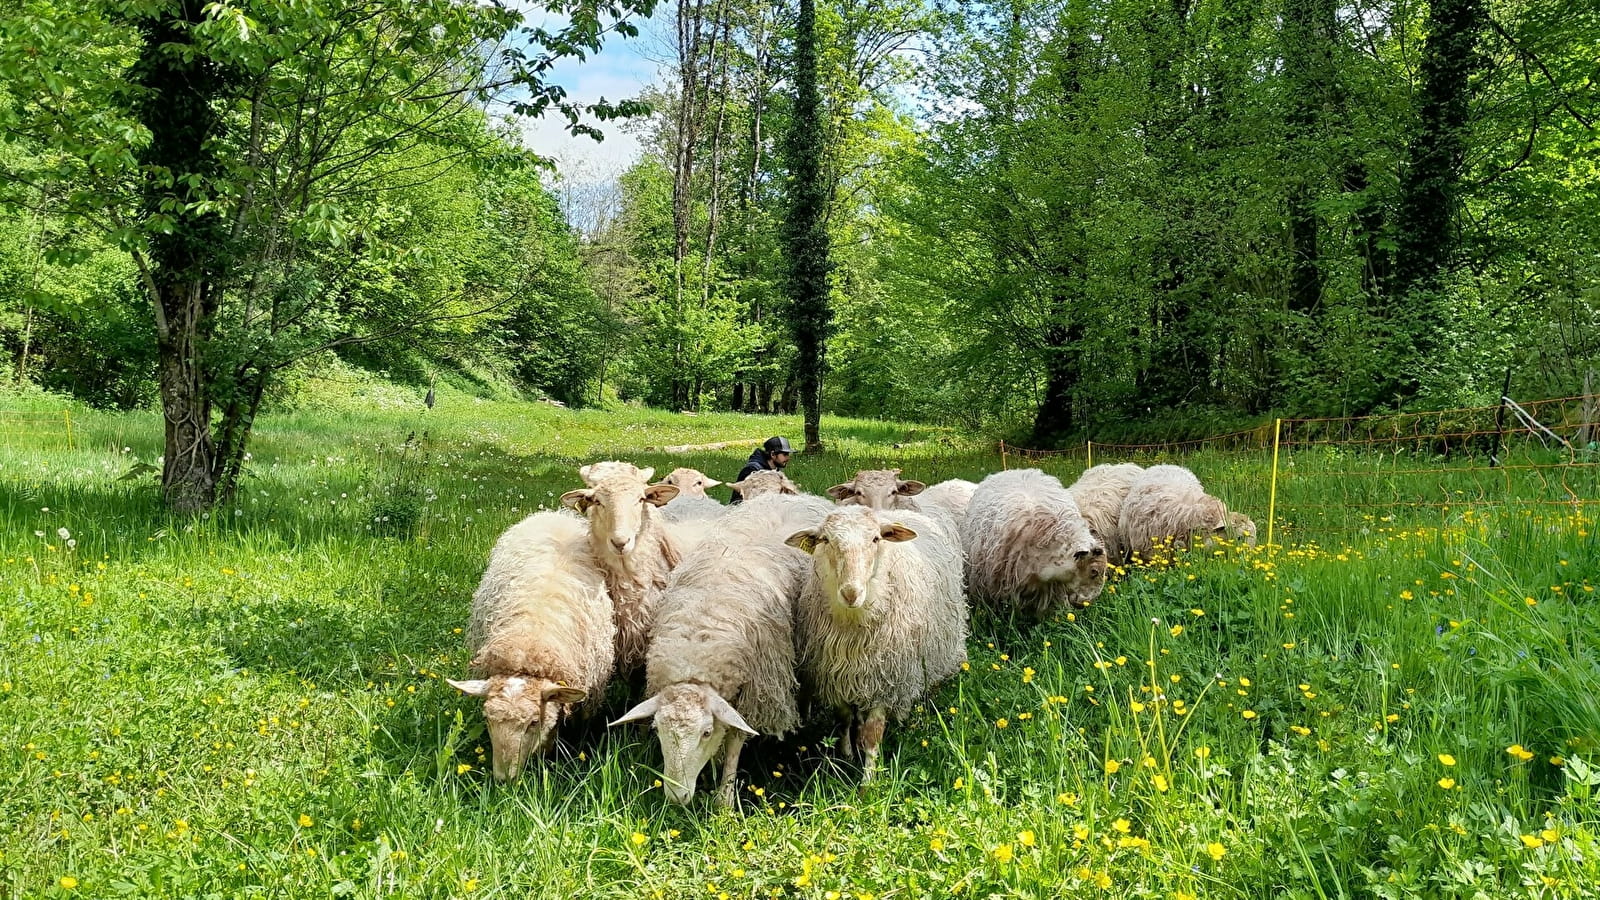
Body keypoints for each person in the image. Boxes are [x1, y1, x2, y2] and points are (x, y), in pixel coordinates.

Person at [729, 436, 793, 504]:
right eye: (785, 454)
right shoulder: (752, 470)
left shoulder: (775, 471)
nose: (788, 458)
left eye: (788, 454)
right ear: (773, 454)